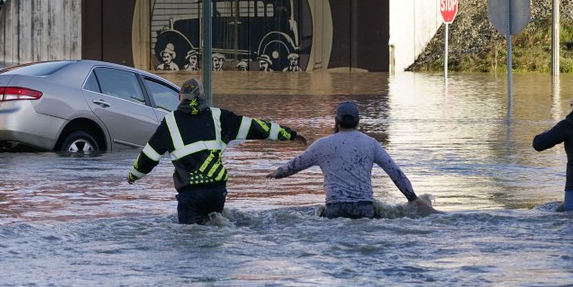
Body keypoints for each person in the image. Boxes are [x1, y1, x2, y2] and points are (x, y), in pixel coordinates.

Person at [128, 78, 307, 224]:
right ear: (203, 97)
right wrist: (289, 134)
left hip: (190, 193)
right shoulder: (218, 116)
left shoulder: (170, 122)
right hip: (217, 191)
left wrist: (133, 176)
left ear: (179, 97)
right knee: (216, 229)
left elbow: (149, 156)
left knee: (189, 240)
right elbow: (256, 127)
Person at [267, 101, 421, 219]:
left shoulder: (322, 145)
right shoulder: (371, 143)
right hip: (365, 208)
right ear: (358, 121)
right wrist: (413, 199)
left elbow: (293, 166)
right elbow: (395, 173)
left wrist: (275, 174)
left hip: (335, 209)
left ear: (336, 121)